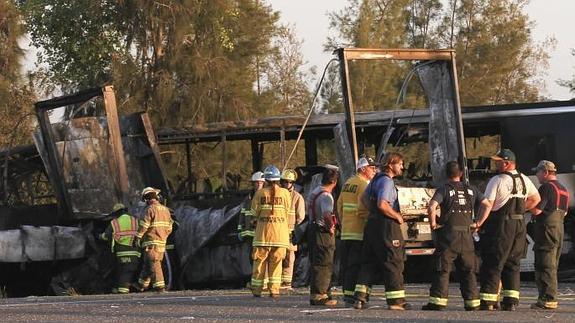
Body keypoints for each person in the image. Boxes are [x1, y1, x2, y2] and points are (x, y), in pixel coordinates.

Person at [475, 149, 541, 311]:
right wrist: (519, 212)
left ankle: (488, 300)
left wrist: (478, 222)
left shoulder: (497, 180)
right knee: (513, 263)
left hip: (501, 226)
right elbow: (536, 199)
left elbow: (488, 204)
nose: (495, 164)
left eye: (498, 162)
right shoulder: (524, 179)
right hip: (519, 226)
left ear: (507, 163)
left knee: (494, 261)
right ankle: (510, 301)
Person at [422, 161, 489, 311]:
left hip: (448, 236)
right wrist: (478, 222)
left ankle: (438, 303)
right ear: (461, 174)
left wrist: (433, 224)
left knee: (442, 268)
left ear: (446, 174)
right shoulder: (471, 189)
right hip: (466, 235)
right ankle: (472, 303)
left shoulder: (444, 189)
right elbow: (487, 204)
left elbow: (432, 206)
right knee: (468, 270)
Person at [353, 152, 411, 311]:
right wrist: (397, 216)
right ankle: (396, 301)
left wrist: (373, 212)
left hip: (372, 224)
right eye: (400, 164)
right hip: (386, 226)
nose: (402, 167)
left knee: (368, 263)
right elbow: (383, 204)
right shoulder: (386, 181)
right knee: (393, 262)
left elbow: (364, 200)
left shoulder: (374, 180)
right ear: (391, 164)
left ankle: (359, 298)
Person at [337, 156, 377, 305]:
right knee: (360, 266)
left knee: (349, 266)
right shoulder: (364, 184)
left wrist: (343, 224)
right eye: (371, 168)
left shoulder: (348, 183)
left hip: (347, 232)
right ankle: (355, 296)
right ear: (362, 169)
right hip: (359, 232)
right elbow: (364, 208)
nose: (374, 170)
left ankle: (347, 295)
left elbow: (339, 205)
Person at [530, 160, 570, 310]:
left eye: (538, 172)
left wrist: (524, 205)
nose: (537, 175)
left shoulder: (546, 187)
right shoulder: (564, 189)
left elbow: (537, 210)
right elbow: (564, 212)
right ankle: (548, 297)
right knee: (553, 263)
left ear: (545, 172)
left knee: (544, 263)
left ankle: (548, 299)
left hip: (546, 229)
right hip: (558, 228)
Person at [250, 165, 291, 298]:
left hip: (262, 235)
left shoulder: (260, 194)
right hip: (280, 236)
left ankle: (257, 290)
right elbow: (288, 213)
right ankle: (274, 291)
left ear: (266, 179)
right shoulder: (285, 193)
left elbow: (253, 214)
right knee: (276, 264)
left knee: (259, 264)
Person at [308, 166, 339, 306]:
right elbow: (327, 215)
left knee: (316, 262)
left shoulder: (315, 192)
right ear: (335, 182)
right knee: (324, 263)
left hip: (312, 229)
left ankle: (315, 293)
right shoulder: (327, 196)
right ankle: (321, 295)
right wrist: (331, 228)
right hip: (322, 232)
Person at [135, 187, 174, 293]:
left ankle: (160, 287)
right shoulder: (165, 210)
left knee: (154, 264)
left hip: (151, 242)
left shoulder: (150, 209)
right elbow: (170, 227)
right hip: (161, 243)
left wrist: (137, 237)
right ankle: (140, 285)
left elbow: (144, 225)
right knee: (149, 264)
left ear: (147, 199)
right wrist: (163, 236)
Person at [99, 203, 141, 294]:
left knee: (123, 272)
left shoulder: (114, 222)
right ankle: (127, 289)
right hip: (135, 252)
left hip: (121, 253)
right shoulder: (135, 220)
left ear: (116, 213)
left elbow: (106, 236)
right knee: (131, 271)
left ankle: (122, 292)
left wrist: (98, 236)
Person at [279, 169, 306, 289]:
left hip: (290, 233)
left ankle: (287, 282)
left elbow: (300, 218)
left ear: (293, 183)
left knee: (289, 258)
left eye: (289, 182)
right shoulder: (277, 195)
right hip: (278, 232)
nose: (286, 184)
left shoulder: (297, 197)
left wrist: (296, 231)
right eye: (284, 182)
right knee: (278, 257)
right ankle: (277, 281)